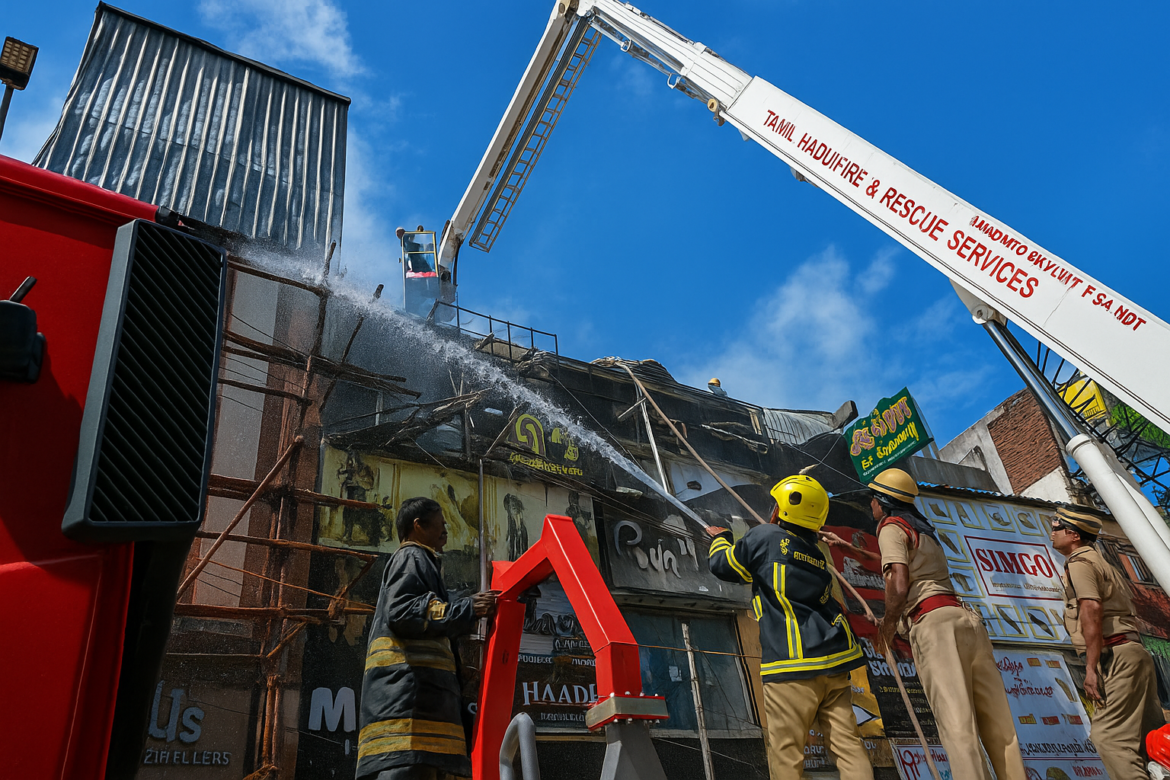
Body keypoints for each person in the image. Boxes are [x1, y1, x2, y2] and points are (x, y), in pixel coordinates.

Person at [706, 475, 873, 779]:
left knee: (787, 755)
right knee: (848, 747)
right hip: (834, 664)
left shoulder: (766, 536)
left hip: (792, 667)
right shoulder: (815, 554)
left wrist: (721, 537)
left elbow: (724, 566)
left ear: (781, 510)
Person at [869, 468, 1026, 780]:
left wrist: (885, 629)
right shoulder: (923, 530)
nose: (869, 505)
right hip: (966, 621)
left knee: (957, 726)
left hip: (935, 627)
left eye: (872, 499)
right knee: (999, 726)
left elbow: (899, 583)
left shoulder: (888, 527)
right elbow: (911, 565)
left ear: (882, 502)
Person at [356, 497, 499, 780]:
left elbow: (429, 617)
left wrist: (466, 609)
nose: (445, 531)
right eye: (440, 525)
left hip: (413, 713)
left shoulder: (423, 561)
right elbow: (403, 612)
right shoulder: (412, 556)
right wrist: (468, 607)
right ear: (418, 525)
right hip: (409, 712)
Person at [1050, 505, 1165, 779]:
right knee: (1149, 738)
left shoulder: (1080, 563)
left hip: (1115, 655)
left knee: (1110, 739)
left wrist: (1091, 669)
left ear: (1073, 534)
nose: (1051, 534)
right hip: (1132, 651)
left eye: (1055, 529)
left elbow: (1091, 609)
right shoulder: (1103, 563)